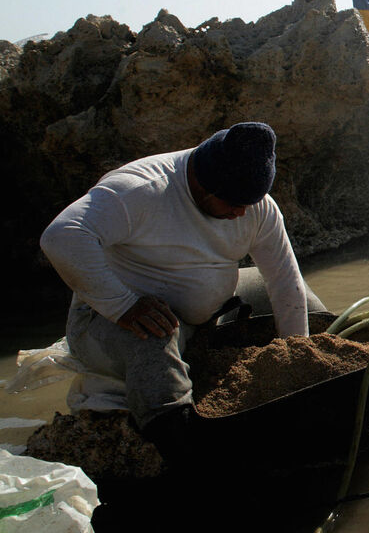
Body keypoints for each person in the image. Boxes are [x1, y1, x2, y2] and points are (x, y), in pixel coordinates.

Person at [40, 122, 324, 459]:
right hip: (113, 321)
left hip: (208, 315)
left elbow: (283, 281)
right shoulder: (142, 190)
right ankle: (181, 443)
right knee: (155, 337)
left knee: (303, 299)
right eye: (232, 203)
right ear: (203, 185)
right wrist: (124, 306)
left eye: (249, 203)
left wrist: (297, 356)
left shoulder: (256, 208)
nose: (241, 213)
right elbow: (61, 236)